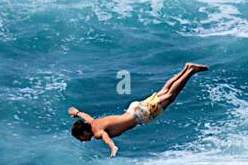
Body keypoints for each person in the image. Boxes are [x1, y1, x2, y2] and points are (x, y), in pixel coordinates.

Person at [68, 63, 208, 156]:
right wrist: (77, 113)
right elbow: (86, 117)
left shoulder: (97, 132)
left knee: (170, 95)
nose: (82, 141)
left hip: (140, 115)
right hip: (133, 108)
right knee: (164, 91)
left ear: (83, 132)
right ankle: (186, 68)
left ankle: (190, 71)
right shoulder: (93, 122)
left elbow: (105, 137)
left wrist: (112, 147)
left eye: (80, 138)